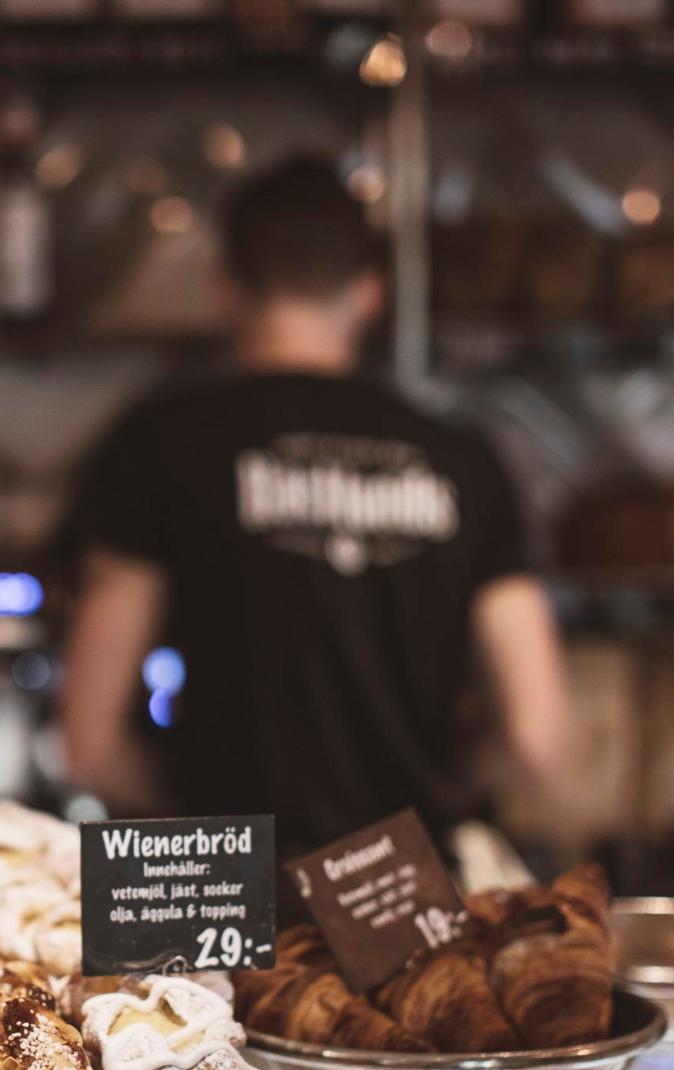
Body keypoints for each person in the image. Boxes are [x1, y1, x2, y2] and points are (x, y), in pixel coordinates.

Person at [56, 155, 570, 871]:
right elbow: (536, 738)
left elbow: (89, 742)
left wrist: (185, 816)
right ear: (368, 293)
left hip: (223, 885)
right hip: (403, 885)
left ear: (226, 289)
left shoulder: (160, 444)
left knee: (202, 996)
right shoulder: (462, 457)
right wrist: (440, 797)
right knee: (419, 991)